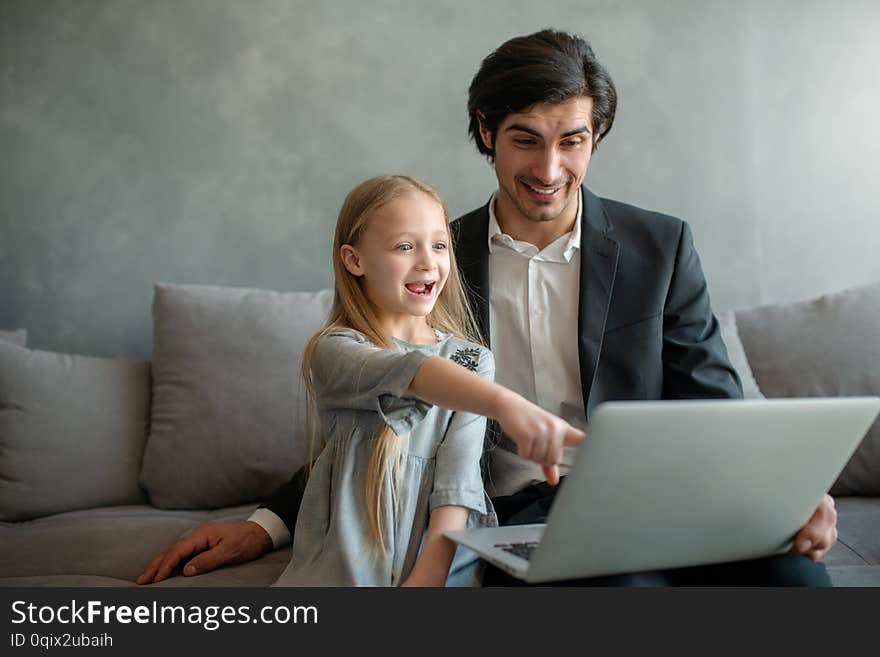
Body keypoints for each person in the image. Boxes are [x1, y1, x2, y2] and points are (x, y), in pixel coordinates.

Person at [138, 29, 837, 587]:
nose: (549, 170)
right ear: (485, 129)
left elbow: (716, 403)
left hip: (662, 496)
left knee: (797, 582)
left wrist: (786, 493)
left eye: (573, 141)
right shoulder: (430, 263)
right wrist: (265, 524)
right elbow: (373, 415)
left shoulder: (661, 246)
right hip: (517, 513)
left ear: (596, 136)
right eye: (525, 139)